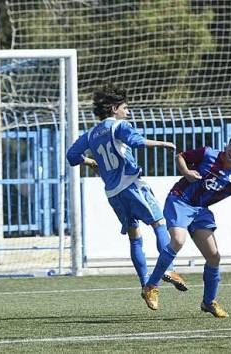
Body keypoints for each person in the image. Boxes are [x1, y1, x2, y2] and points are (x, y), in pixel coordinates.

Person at [66, 84, 188, 309]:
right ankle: (168, 270)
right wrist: (163, 143)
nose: (128, 112)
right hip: (132, 186)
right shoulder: (119, 126)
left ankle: (145, 286)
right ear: (114, 109)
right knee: (159, 223)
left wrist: (91, 161)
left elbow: (71, 156)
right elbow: (136, 142)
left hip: (113, 193)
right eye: (125, 108)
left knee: (134, 237)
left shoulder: (91, 134)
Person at [142, 133, 231, 318]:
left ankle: (208, 302)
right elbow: (180, 156)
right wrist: (186, 172)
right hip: (179, 200)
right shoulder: (208, 154)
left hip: (200, 211)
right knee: (178, 240)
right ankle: (150, 286)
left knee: (214, 257)